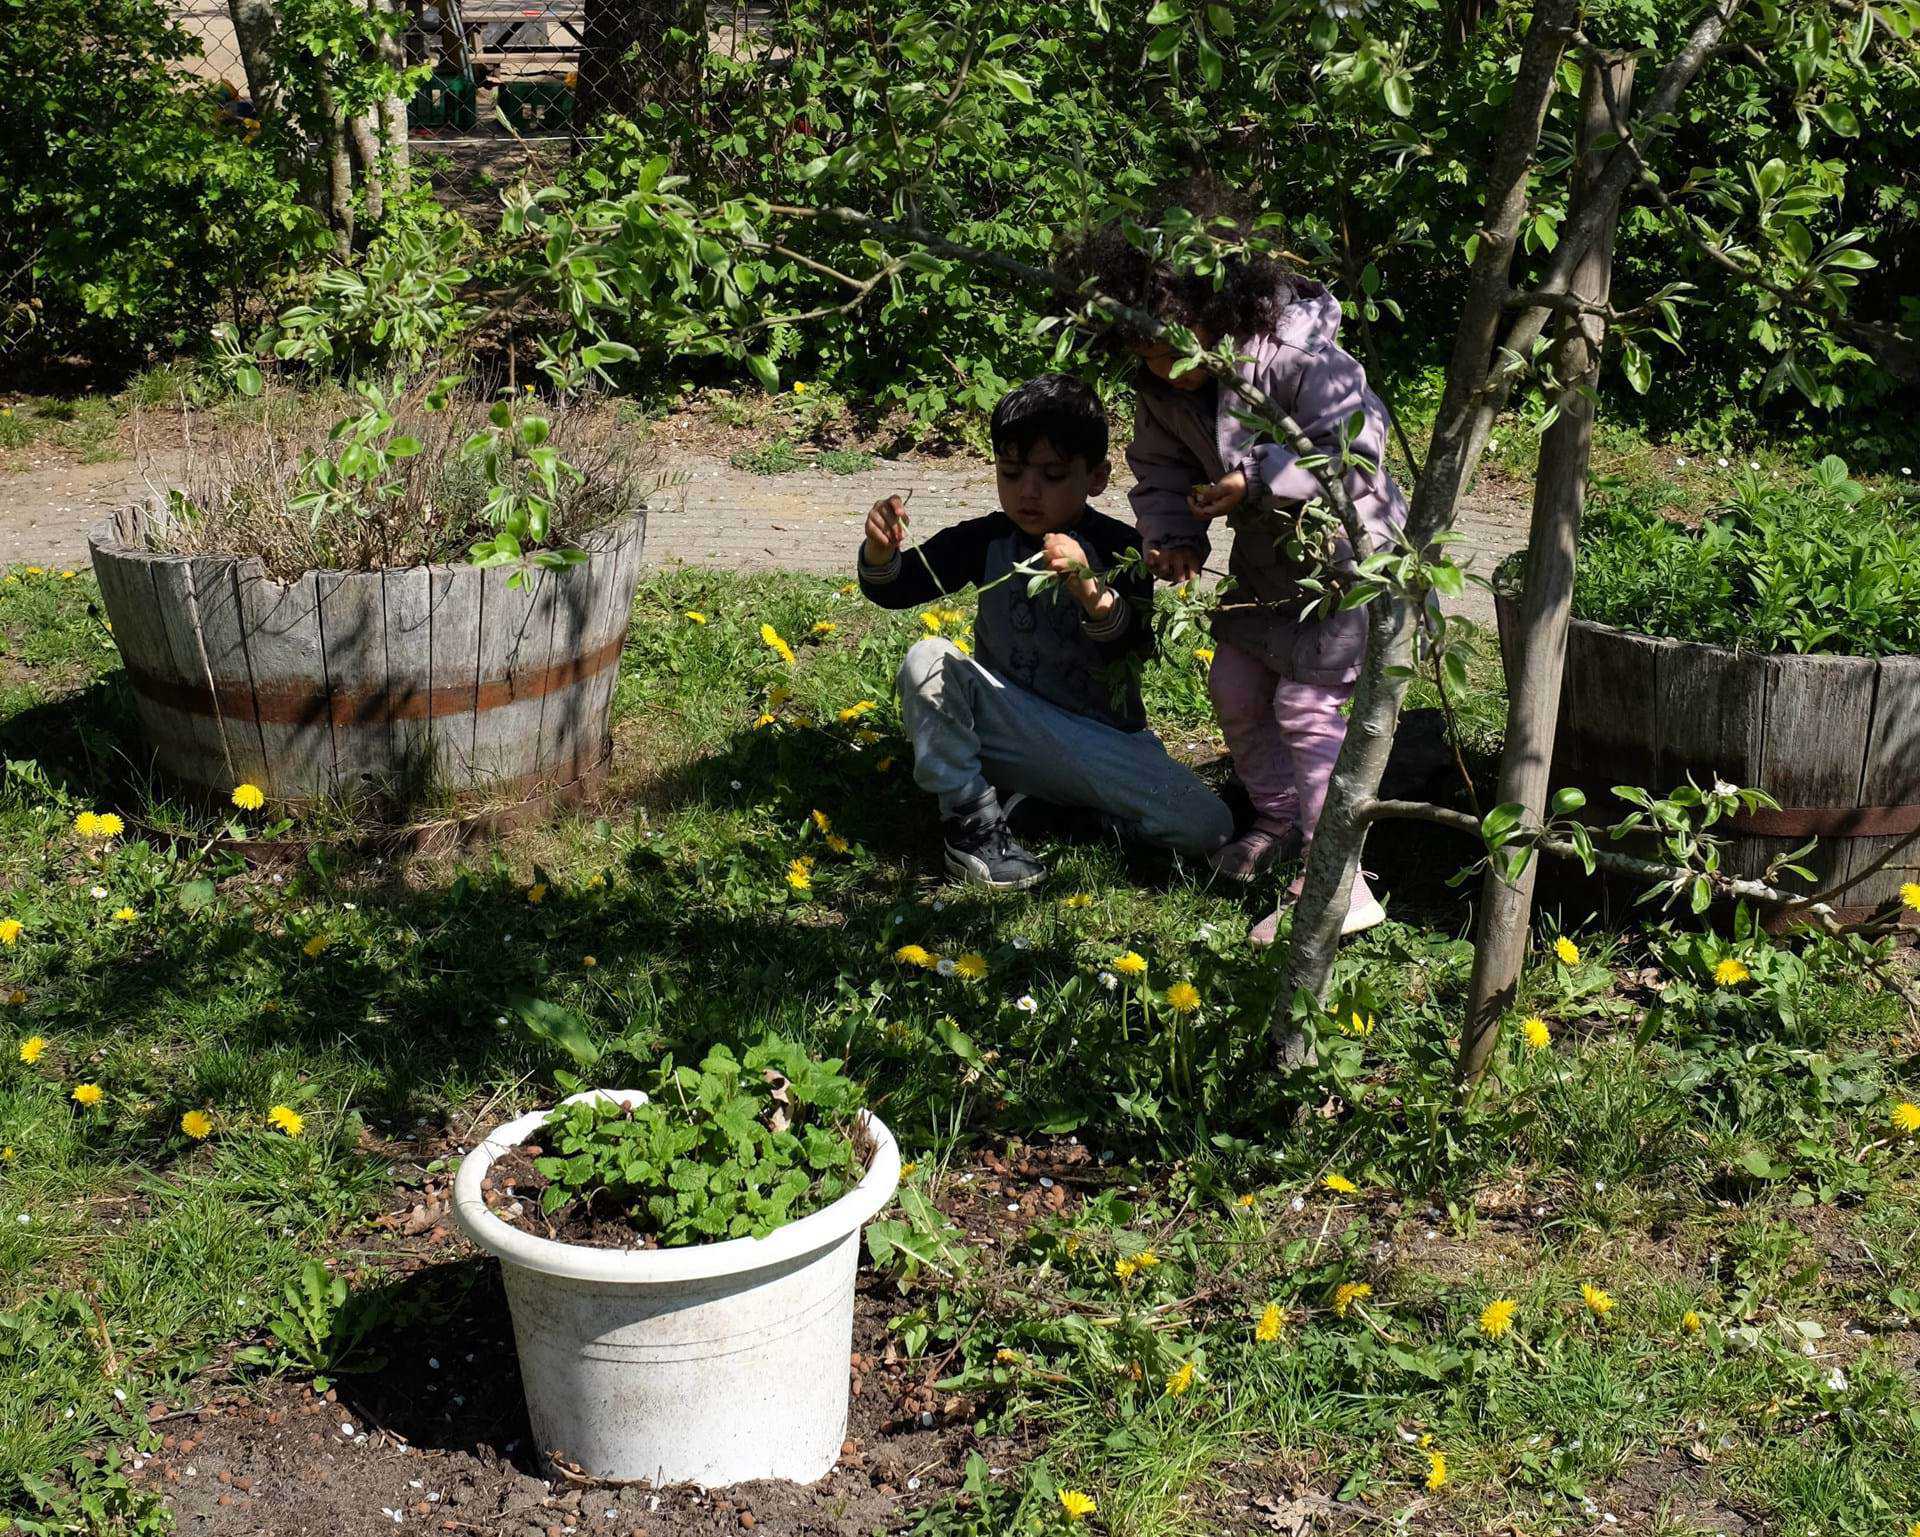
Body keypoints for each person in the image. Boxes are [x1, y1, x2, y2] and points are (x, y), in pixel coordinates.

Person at [1070, 191, 1406, 940]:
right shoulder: (1162, 386)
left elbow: (1357, 444)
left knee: (1307, 706)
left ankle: (1336, 878)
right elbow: (1157, 469)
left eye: (1166, 344)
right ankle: (1280, 819)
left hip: (1346, 561)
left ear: (1216, 308)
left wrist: (1257, 480)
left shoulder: (1294, 355)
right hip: (1267, 567)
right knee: (1235, 682)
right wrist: (1172, 534)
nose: (1157, 365)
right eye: (1142, 352)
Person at [859, 373, 1233, 890]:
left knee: (1208, 827)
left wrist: (1090, 591)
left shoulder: (1122, 547)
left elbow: (1132, 647)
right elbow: (897, 588)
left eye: (1053, 475)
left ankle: (1053, 810)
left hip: (1098, 739)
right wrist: (881, 551)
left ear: (1097, 477)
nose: (1028, 492)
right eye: (1011, 473)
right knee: (929, 658)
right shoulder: (987, 538)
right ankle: (971, 822)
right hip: (1009, 728)